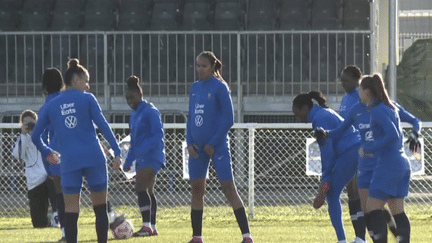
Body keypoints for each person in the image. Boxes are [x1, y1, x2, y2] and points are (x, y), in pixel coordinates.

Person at [32, 59, 122, 243]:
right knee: (100, 208)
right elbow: (103, 126)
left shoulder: (50, 105)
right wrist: (116, 151)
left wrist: (47, 151)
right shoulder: (88, 99)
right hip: (94, 157)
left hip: (69, 161)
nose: (88, 85)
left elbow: (35, 136)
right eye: (86, 80)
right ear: (76, 80)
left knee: (71, 211)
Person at [186, 51, 253, 243]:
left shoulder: (220, 87)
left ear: (213, 67)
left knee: (228, 188)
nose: (200, 69)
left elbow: (228, 119)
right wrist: (189, 142)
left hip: (217, 147)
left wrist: (213, 143)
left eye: (203, 66)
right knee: (197, 190)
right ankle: (197, 237)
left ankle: (247, 236)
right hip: (197, 149)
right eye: (197, 65)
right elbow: (190, 116)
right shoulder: (194, 87)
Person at [292, 91, 361, 243]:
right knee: (361, 195)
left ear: (305, 108)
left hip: (350, 152)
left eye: (297, 113)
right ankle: (361, 238)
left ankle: (342, 240)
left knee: (332, 194)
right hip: (357, 149)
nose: (297, 117)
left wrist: (326, 178)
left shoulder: (319, 118)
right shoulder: (322, 113)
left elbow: (327, 150)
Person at [357, 74, 411, 243]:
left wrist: (368, 148)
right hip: (401, 164)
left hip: (388, 165)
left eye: (360, 89)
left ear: (367, 92)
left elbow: (392, 135)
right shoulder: (390, 107)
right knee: (397, 210)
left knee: (372, 208)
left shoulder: (377, 110)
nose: (358, 92)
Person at [113, 75, 166, 237]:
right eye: (127, 98)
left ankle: (146, 226)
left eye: (132, 97)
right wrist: (128, 161)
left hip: (153, 156)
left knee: (140, 188)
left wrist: (143, 149)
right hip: (142, 158)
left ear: (140, 95)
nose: (130, 101)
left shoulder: (150, 111)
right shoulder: (133, 115)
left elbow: (158, 134)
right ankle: (153, 227)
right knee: (149, 191)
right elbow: (134, 141)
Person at [12, 110, 55, 228]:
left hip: (48, 177)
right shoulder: (22, 139)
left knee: (55, 187)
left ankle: (56, 216)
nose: (30, 126)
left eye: (32, 123)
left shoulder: (44, 134)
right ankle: (49, 220)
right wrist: (24, 134)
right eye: (26, 123)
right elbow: (18, 155)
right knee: (38, 223)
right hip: (35, 181)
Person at [40, 67, 66, 240]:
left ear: (44, 87)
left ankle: (66, 233)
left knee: (61, 197)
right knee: (76, 197)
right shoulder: (69, 101)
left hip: (57, 158)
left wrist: (47, 166)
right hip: (78, 155)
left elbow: (41, 140)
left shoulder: (46, 107)